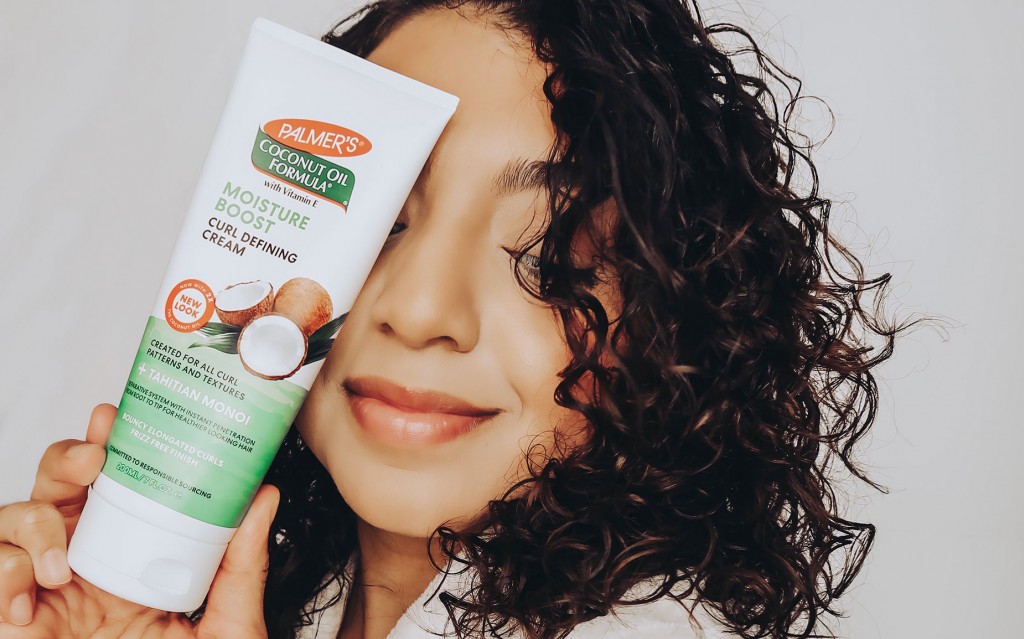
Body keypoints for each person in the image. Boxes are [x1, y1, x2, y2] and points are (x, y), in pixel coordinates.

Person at [0, 1, 917, 637]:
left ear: (677, 323)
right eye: (384, 219)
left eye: (554, 249)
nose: (423, 312)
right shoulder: (297, 602)